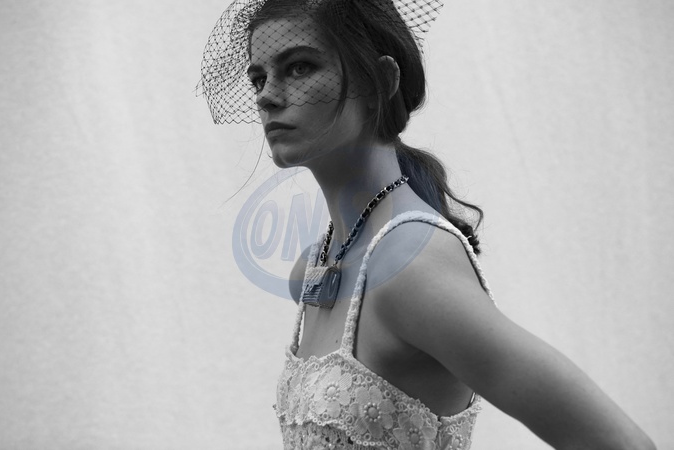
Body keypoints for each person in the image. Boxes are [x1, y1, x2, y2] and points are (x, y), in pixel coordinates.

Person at [200, 0, 656, 448]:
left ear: (380, 80)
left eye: (299, 67)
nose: (266, 95)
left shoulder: (411, 267)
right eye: (258, 78)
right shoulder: (312, 269)